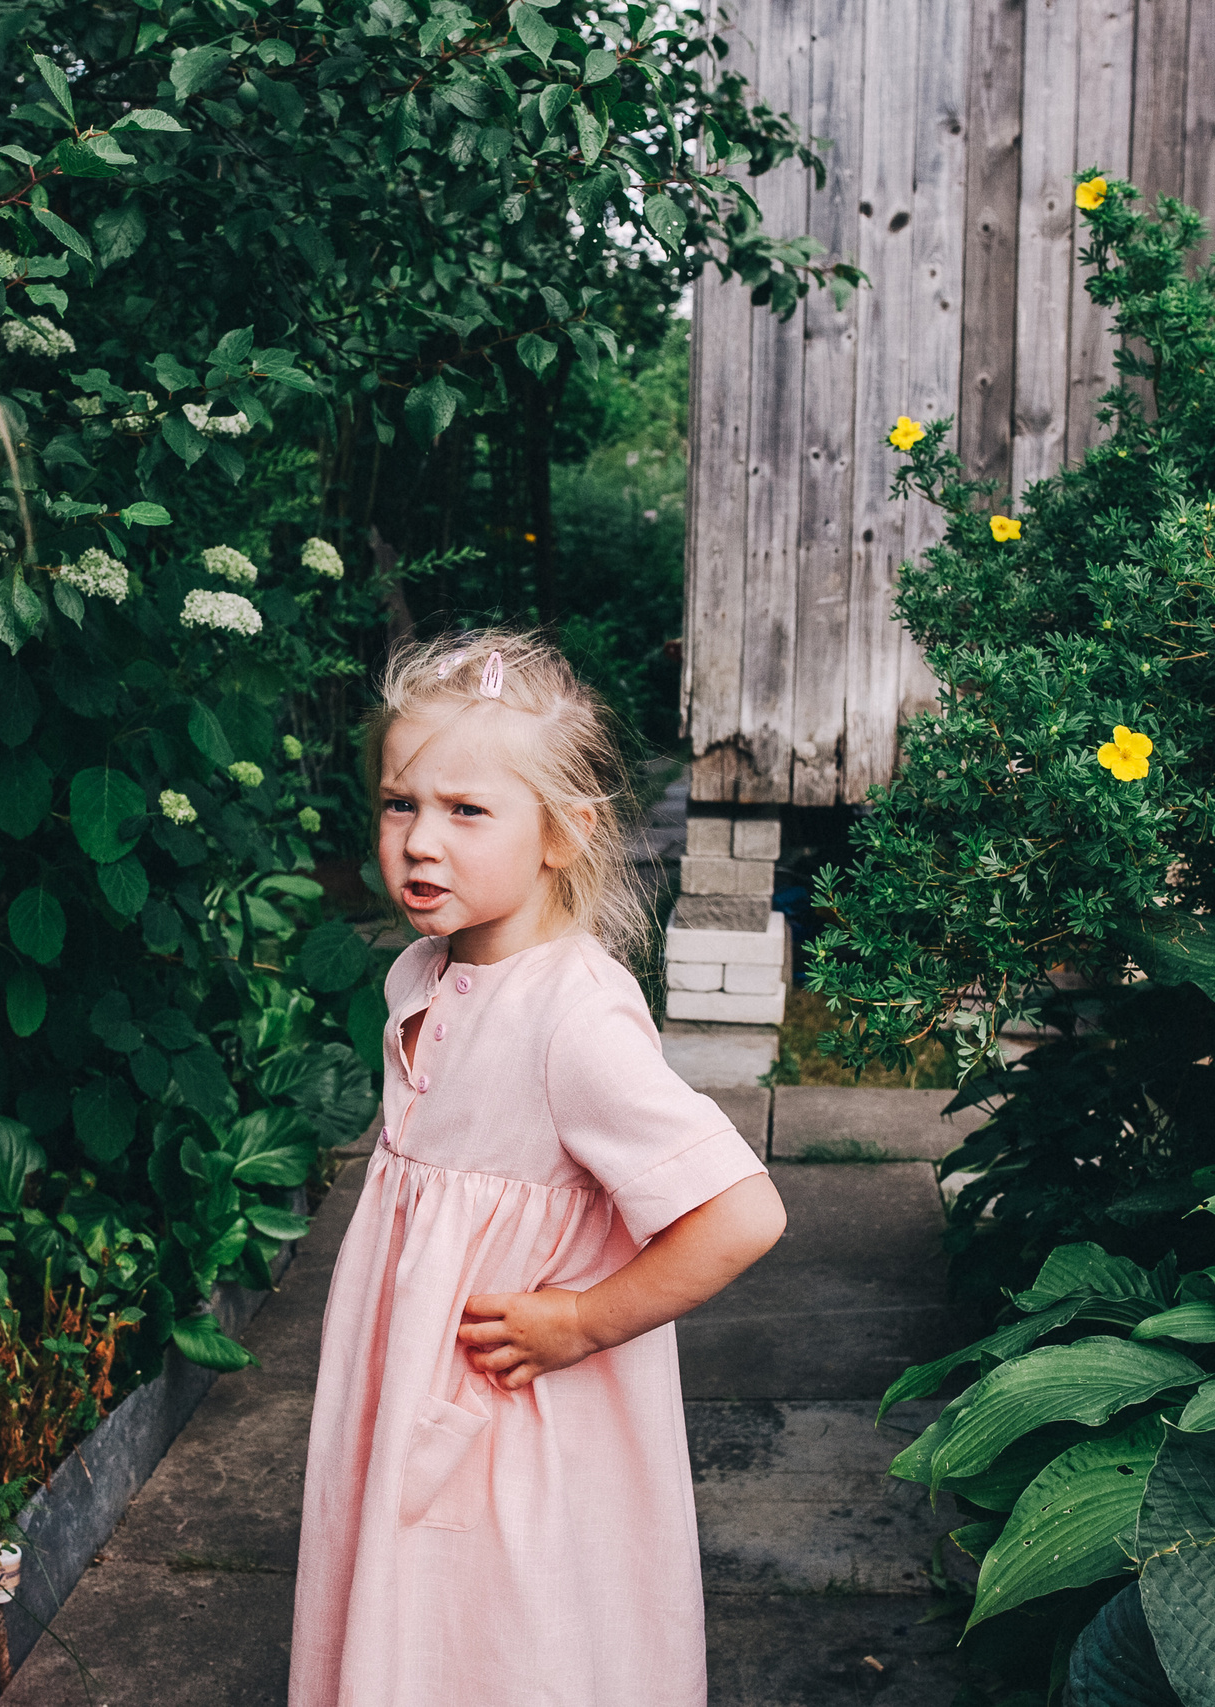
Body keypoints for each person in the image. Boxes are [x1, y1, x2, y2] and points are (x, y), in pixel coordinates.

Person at [290, 630, 789, 1706]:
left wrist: (586, 1320)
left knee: (511, 1638)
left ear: (564, 831)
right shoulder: (421, 972)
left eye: (468, 810)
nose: (421, 842)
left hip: (518, 1423)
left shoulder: (573, 1020)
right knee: (417, 1622)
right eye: (399, 803)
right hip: (416, 1395)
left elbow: (741, 1212)